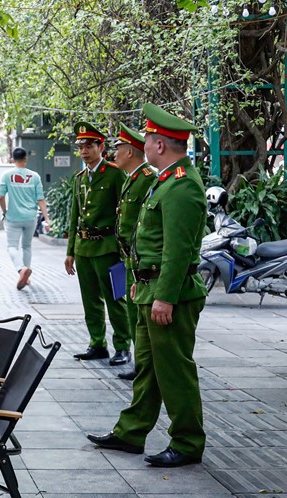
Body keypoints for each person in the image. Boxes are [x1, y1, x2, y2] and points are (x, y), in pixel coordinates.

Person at [87, 103, 208, 468]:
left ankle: (187, 442)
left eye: (149, 138)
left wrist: (165, 297)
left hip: (171, 293)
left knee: (174, 370)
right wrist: (143, 285)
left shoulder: (182, 186)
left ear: (159, 145)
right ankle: (131, 431)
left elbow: (177, 250)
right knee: (149, 368)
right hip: (149, 289)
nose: (146, 144)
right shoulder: (166, 180)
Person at [64, 122, 131, 366]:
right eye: (80, 146)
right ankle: (97, 343)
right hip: (83, 248)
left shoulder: (114, 174)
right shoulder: (80, 178)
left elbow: (125, 212)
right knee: (90, 300)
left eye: (89, 146)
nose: (84, 151)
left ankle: (122, 346)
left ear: (101, 147)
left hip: (107, 247)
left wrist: (124, 249)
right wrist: (70, 251)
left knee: (115, 299)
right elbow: (74, 216)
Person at [112, 122, 157, 380]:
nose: (114, 154)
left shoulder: (147, 179)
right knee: (132, 313)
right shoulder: (132, 179)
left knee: (138, 315)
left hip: (139, 261)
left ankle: (144, 366)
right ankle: (141, 364)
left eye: (118, 149)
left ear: (129, 152)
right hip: (128, 259)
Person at [0, 148, 51, 290]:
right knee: (27, 246)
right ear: (26, 159)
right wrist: (47, 219)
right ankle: (25, 276)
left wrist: (5, 211)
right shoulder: (35, 176)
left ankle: (21, 270)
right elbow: (40, 199)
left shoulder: (6, 175)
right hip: (30, 217)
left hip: (13, 218)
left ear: (12, 159)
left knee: (12, 247)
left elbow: (0, 197)